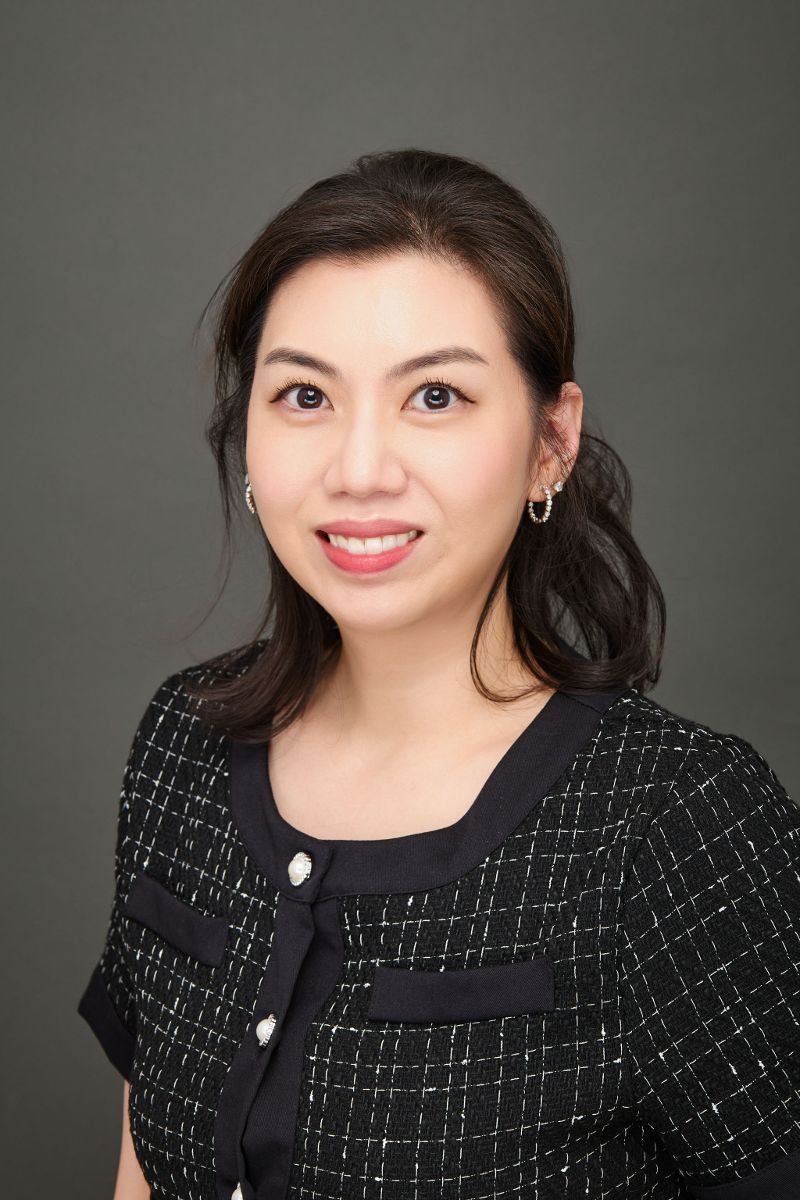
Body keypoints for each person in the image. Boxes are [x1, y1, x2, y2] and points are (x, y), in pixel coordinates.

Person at [77, 149, 800, 1200]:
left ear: (550, 441)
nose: (359, 468)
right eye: (303, 396)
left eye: (433, 395)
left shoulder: (677, 824)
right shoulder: (183, 747)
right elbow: (142, 1161)